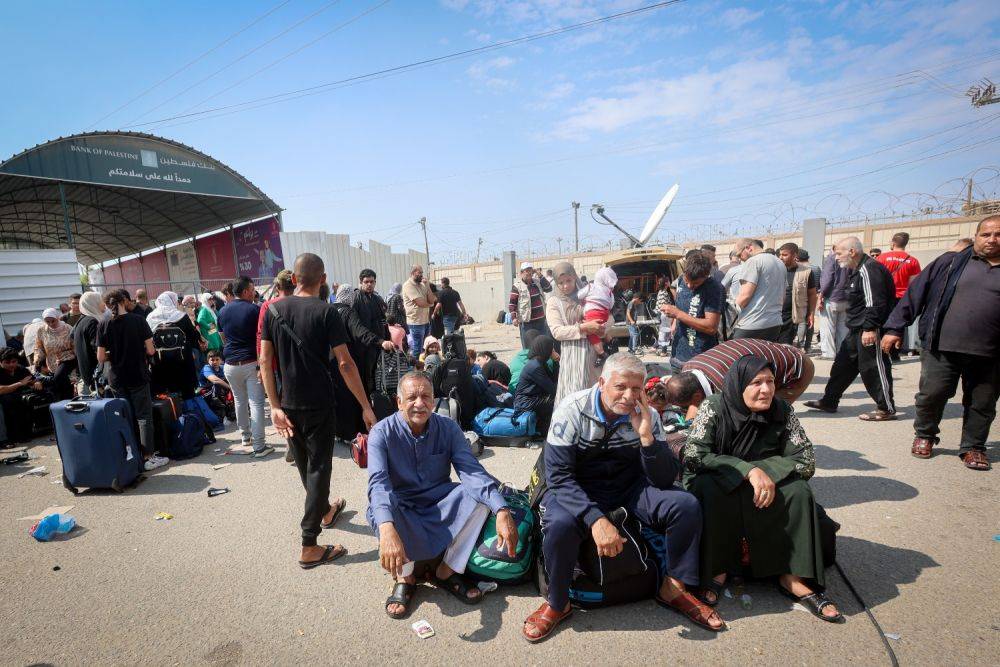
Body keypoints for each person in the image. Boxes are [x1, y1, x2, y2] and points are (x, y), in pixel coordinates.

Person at [524, 353, 722, 642]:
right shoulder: (572, 410)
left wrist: (646, 437)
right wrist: (595, 520)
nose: (629, 396)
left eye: (636, 388)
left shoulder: (649, 416)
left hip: (627, 487)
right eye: (620, 387)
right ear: (602, 382)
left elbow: (665, 479)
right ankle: (558, 603)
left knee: (685, 505)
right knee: (560, 524)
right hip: (578, 486)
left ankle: (674, 588)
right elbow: (559, 478)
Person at [683, 357, 841, 622]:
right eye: (756, 382)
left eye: (770, 382)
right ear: (738, 384)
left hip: (768, 479)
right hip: (720, 476)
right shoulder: (714, 407)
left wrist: (765, 471)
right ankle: (717, 569)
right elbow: (694, 455)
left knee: (798, 491)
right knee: (709, 489)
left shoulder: (782, 410)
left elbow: (805, 460)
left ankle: (791, 576)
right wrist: (746, 470)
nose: (766, 389)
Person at [367, 372, 519, 619]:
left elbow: (471, 472)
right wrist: (386, 529)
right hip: (402, 504)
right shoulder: (381, 433)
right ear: (398, 402)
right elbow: (378, 485)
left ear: (434, 400)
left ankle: (447, 570)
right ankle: (406, 578)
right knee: (382, 507)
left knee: (480, 497)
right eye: (412, 397)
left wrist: (502, 510)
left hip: (438, 501)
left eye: (426, 396)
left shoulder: (447, 427)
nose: (419, 403)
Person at [260, 253, 376, 569]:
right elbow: (345, 363)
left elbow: (264, 362)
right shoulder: (327, 312)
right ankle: (309, 544)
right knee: (319, 468)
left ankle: (324, 509)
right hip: (320, 404)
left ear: (294, 279)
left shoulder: (272, 310)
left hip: (288, 404)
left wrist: (273, 406)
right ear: (322, 279)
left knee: (305, 465)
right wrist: (365, 406)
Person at [882, 215, 1000, 471]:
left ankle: (973, 447)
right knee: (932, 394)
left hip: (990, 353)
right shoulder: (951, 262)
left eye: (998, 235)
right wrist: (894, 327)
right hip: (942, 346)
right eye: (986, 234)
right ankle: (925, 434)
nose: (992, 239)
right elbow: (915, 294)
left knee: (982, 402)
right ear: (976, 236)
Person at [804, 237, 897, 421]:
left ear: (852, 252)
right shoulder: (855, 270)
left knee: (873, 368)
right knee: (842, 367)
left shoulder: (868, 269)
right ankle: (829, 401)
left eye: (839, 253)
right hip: (856, 328)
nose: (835, 257)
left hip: (869, 329)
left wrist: (870, 328)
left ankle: (886, 408)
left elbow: (875, 303)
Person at [97, 289, 168, 471]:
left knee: (125, 417)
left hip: (116, 377)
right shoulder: (138, 320)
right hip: (137, 373)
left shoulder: (103, 323)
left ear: (107, 304)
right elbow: (151, 350)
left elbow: (100, 357)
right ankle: (148, 456)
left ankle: (131, 454)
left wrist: (116, 354)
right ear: (123, 301)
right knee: (144, 417)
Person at [666, 338, 815, 420]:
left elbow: (737, 418)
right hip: (772, 350)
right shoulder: (688, 368)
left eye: (686, 406)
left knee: (766, 416)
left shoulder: (725, 385)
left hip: (797, 367)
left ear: (698, 396)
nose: (685, 410)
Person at [218, 277, 271, 458]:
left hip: (230, 363)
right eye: (253, 289)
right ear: (247, 291)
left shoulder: (222, 311)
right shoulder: (254, 310)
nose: (254, 292)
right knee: (256, 403)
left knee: (240, 401)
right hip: (250, 362)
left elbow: (222, 338)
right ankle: (259, 445)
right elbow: (261, 338)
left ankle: (245, 437)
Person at [333, 284, 395, 440]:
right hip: (349, 359)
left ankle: (339, 432)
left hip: (332, 361)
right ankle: (353, 433)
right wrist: (380, 341)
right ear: (348, 296)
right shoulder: (348, 312)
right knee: (354, 395)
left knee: (339, 396)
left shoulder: (330, 310)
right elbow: (360, 332)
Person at [545, 261, 603, 405]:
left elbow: (608, 317)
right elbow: (557, 332)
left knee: (594, 396)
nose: (565, 286)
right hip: (572, 356)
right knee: (573, 398)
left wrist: (601, 327)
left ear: (575, 277)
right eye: (561, 282)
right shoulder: (554, 302)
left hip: (592, 354)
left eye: (569, 280)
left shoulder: (587, 295)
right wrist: (584, 328)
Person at [660, 251, 724, 371]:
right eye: (687, 280)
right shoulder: (680, 280)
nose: (689, 286)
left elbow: (711, 327)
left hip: (700, 360)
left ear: (706, 276)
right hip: (677, 356)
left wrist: (678, 314)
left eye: (695, 283)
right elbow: (680, 307)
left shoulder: (714, 289)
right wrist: (674, 322)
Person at [146, 292, 202, 401]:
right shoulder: (180, 316)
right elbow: (193, 336)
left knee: (165, 396)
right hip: (182, 361)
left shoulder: (150, 317)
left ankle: (170, 416)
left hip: (160, 363)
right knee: (186, 394)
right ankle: (188, 415)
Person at [727, 238, 786, 341]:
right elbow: (783, 296)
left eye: (740, 255)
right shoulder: (779, 262)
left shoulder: (753, 262)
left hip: (751, 324)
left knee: (738, 355)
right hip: (775, 323)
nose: (740, 259)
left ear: (749, 248)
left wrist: (730, 318)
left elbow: (745, 296)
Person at [876, 232, 922, 355]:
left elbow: (876, 279)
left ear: (893, 243)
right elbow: (914, 285)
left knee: (883, 324)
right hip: (902, 299)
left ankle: (881, 351)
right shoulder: (913, 261)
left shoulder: (881, 258)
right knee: (898, 327)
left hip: (885, 297)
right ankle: (895, 354)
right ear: (905, 244)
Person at [351, 269, 391, 393]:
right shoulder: (356, 298)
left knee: (376, 374)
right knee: (365, 377)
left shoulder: (376, 298)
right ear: (361, 282)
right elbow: (357, 327)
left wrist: (387, 338)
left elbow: (383, 321)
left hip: (378, 345)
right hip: (363, 346)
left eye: (372, 282)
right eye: (366, 282)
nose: (369, 284)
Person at [513, 335, 559, 434]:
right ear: (545, 348)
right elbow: (553, 389)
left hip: (532, 399)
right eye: (551, 349)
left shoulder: (539, 362)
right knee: (557, 402)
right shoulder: (535, 366)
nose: (552, 351)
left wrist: (555, 362)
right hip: (525, 402)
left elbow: (554, 380)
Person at [0, 347, 45, 444]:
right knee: (9, 400)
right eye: (7, 362)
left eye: (14, 361)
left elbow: (33, 380)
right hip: (5, 401)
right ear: (1, 362)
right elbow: (1, 390)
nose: (11, 364)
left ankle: (30, 432)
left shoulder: (20, 369)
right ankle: (12, 437)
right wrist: (20, 384)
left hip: (19, 399)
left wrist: (36, 383)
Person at [776, 243, 817, 347]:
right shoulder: (775, 269)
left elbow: (812, 294)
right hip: (773, 315)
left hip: (791, 317)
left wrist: (811, 313)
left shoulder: (806, 272)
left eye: (785, 255)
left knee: (784, 347)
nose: (781, 257)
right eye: (780, 255)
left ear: (795, 255)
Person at [33, 308, 77, 400]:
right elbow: (39, 346)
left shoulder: (68, 328)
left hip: (68, 358)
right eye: (47, 321)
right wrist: (37, 358)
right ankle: (64, 402)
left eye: (53, 321)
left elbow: (75, 345)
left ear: (57, 318)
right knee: (59, 382)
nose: (51, 324)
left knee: (59, 377)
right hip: (52, 361)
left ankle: (68, 398)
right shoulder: (42, 330)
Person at [576, 267, 618, 363]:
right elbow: (611, 305)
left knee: (591, 333)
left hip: (592, 314)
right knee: (601, 329)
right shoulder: (609, 292)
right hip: (604, 314)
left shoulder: (591, 286)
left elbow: (579, 295)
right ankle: (610, 340)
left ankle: (601, 353)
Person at [508, 262, 552, 349]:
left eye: (531, 270)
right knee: (528, 348)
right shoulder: (517, 286)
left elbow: (548, 288)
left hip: (541, 322)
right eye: (526, 271)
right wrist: (514, 318)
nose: (529, 273)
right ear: (521, 273)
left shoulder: (537, 282)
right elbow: (512, 303)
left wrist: (540, 275)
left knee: (544, 346)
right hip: (527, 323)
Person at [818, 243, 850, 360]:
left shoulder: (831, 259)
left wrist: (821, 295)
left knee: (828, 327)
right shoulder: (850, 258)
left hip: (831, 297)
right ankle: (842, 353)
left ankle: (828, 353)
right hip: (846, 298)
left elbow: (827, 278)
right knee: (843, 328)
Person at [72, 292, 106, 396]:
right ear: (93, 303)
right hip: (96, 378)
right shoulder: (92, 322)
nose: (104, 304)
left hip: (87, 375)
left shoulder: (81, 321)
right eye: (100, 301)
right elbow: (97, 349)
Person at [402, 265, 436, 357]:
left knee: (427, 348)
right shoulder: (408, 285)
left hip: (425, 321)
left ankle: (424, 368)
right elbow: (420, 303)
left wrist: (428, 286)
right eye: (419, 273)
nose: (421, 275)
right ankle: (414, 369)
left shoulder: (422, 284)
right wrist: (431, 304)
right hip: (415, 323)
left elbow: (432, 299)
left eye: (422, 273)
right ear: (412, 273)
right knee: (417, 349)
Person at [200, 349, 236, 422]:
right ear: (208, 361)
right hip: (205, 393)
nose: (215, 362)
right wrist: (231, 388)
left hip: (219, 391)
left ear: (221, 360)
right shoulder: (206, 368)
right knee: (217, 384)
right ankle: (220, 410)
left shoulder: (223, 367)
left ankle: (231, 409)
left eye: (217, 359)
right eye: (212, 360)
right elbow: (215, 380)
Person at [796, 248, 821, 352]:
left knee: (801, 321)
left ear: (796, 258)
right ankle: (808, 346)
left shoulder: (799, 268)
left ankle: (799, 345)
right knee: (811, 320)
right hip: (813, 297)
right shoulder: (816, 268)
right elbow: (819, 285)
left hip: (800, 297)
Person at [654, 276, 674, 354]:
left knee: (663, 332)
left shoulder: (661, 291)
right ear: (666, 283)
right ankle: (663, 351)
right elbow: (664, 306)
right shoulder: (664, 293)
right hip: (664, 314)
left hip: (661, 314)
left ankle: (656, 347)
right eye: (669, 281)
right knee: (665, 332)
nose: (670, 283)